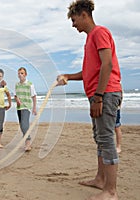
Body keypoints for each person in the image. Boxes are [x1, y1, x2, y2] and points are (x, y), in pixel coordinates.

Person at [56, 0, 122, 199]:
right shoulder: (90, 39)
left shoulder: (100, 32)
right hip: (97, 94)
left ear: (84, 15)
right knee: (99, 139)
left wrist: (99, 97)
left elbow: (107, 64)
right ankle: (100, 180)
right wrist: (68, 75)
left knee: (106, 139)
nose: (73, 25)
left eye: (74, 20)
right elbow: (88, 72)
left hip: (106, 93)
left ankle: (110, 191)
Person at [14, 67, 37, 152]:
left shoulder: (29, 84)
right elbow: (15, 95)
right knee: (22, 126)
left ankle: (28, 144)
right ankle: (27, 142)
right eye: (19, 73)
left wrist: (34, 108)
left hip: (27, 107)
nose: (20, 75)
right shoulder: (17, 84)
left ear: (25, 74)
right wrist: (17, 100)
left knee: (24, 125)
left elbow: (34, 97)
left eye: (22, 73)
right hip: (19, 107)